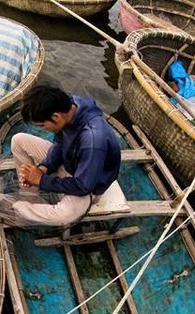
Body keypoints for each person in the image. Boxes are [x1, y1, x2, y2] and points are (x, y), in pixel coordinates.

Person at [11, 85, 123, 226]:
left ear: (56, 117)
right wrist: (45, 167)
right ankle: (31, 197)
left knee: (62, 216)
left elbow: (83, 186)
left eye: (42, 126)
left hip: (89, 185)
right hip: (70, 161)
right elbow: (60, 141)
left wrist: (42, 180)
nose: (43, 129)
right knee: (18, 140)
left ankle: (16, 208)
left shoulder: (93, 139)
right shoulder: (71, 105)